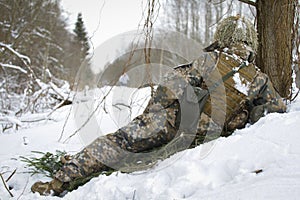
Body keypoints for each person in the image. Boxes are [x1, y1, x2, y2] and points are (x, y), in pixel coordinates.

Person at [31, 15, 286, 196]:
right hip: (208, 136)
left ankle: (59, 181)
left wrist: (152, 116)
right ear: (250, 42)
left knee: (119, 142)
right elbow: (275, 114)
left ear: (223, 36)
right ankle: (78, 165)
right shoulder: (259, 78)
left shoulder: (210, 59)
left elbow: (171, 87)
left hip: (173, 122)